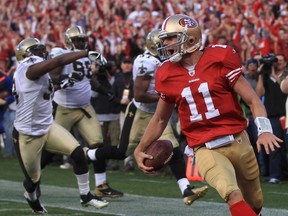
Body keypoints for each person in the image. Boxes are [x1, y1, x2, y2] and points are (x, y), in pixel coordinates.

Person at [134, 14, 282, 216]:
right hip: (204, 147)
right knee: (232, 194)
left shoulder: (220, 58)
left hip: (239, 141)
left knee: (254, 203)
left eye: (170, 38)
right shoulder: (166, 73)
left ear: (191, 38)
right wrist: (140, 148)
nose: (165, 43)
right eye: (164, 38)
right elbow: (160, 118)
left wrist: (264, 130)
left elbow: (253, 100)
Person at [13, 37, 109, 214]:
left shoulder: (37, 72)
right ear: (27, 55)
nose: (42, 52)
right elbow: (56, 62)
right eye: (37, 50)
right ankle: (31, 197)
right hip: (27, 134)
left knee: (78, 153)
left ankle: (85, 196)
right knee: (32, 181)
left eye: (42, 49)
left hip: (48, 126)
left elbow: (44, 89)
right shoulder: (27, 68)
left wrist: (62, 81)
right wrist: (86, 53)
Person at [121, 29, 208, 204]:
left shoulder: (171, 63)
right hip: (140, 111)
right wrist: (170, 97)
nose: (167, 47)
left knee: (172, 147)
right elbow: (139, 95)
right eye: (163, 43)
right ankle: (90, 156)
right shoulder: (147, 61)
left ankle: (186, 190)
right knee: (121, 151)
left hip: (158, 113)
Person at [48, 26, 124, 198]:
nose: (82, 43)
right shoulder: (60, 53)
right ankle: (34, 181)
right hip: (64, 109)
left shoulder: (85, 57)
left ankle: (101, 185)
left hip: (85, 108)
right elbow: (50, 77)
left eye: (83, 40)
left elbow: (89, 79)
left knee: (97, 144)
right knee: (51, 148)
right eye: (78, 40)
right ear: (69, 42)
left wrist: (106, 92)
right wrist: (63, 79)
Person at [256, 53, 288, 184]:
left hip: (285, 115)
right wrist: (261, 74)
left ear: (285, 62)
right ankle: (275, 174)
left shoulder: (285, 76)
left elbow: (284, 88)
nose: (277, 62)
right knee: (274, 146)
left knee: (285, 147)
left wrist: (275, 75)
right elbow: (259, 93)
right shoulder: (265, 77)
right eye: (276, 61)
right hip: (272, 116)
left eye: (280, 60)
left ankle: (284, 172)